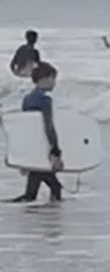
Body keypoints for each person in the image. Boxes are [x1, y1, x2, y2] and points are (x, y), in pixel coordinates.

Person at [8, 63, 64, 203]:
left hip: (32, 148)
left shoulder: (28, 99)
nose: (54, 83)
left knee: (31, 194)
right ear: (43, 79)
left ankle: (46, 214)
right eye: (52, 78)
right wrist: (55, 150)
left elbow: (28, 127)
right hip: (40, 151)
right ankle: (54, 216)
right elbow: (48, 126)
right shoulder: (45, 100)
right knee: (54, 188)